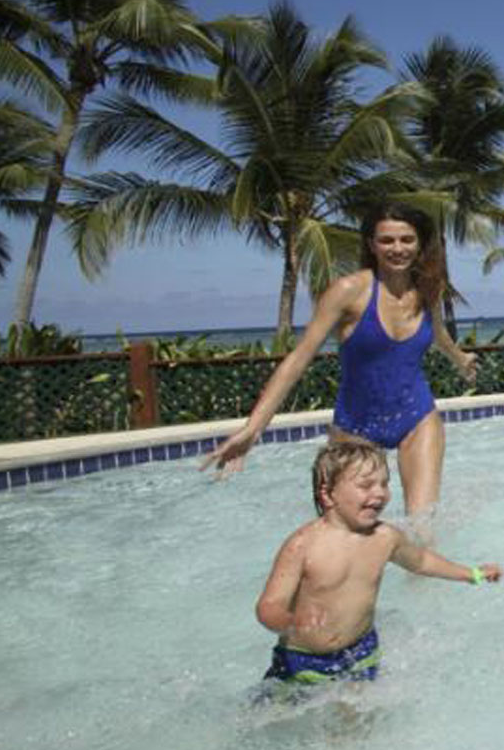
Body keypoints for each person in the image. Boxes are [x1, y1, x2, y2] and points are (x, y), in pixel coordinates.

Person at [204, 204, 478, 521]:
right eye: (387, 240)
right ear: (371, 245)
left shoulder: (427, 291)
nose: (398, 248)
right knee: (351, 532)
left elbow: (439, 334)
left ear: (419, 244)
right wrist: (254, 429)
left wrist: (460, 358)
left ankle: (420, 572)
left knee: (421, 526)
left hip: (417, 417)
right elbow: (298, 359)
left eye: (407, 239)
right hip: (356, 428)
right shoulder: (348, 292)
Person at [255, 436, 502, 692]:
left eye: (384, 484)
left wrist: (471, 573)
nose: (380, 493)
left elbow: (421, 561)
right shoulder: (302, 546)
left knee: (356, 725)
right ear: (328, 495)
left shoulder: (384, 538)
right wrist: (292, 620)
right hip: (303, 661)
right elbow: (268, 606)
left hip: (361, 653)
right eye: (366, 485)